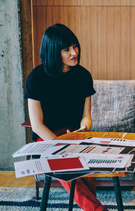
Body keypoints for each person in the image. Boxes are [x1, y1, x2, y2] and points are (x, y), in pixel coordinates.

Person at [25, 24, 107, 211]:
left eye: (74, 46)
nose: (74, 52)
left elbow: (86, 117)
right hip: (46, 139)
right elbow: (37, 125)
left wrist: (84, 129)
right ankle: (97, 209)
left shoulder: (84, 75)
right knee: (66, 164)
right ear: (53, 51)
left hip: (75, 135)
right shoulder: (36, 77)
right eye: (66, 49)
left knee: (86, 164)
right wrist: (60, 144)